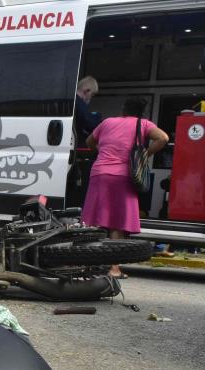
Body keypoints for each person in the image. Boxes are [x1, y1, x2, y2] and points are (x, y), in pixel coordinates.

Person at [82, 96, 169, 279]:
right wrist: (146, 154)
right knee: (117, 224)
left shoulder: (106, 122)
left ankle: (88, 265)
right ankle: (114, 269)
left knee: (92, 221)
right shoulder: (143, 124)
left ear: (123, 109)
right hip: (124, 175)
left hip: (100, 173)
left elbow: (90, 142)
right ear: (140, 113)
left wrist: (103, 153)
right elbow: (163, 138)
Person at [74, 76, 101, 145]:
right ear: (87, 91)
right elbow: (90, 124)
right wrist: (98, 115)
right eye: (92, 94)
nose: (91, 97)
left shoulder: (73, 99)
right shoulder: (79, 103)